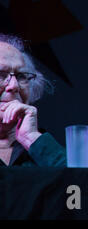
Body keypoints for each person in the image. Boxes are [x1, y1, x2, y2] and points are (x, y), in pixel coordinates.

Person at [0, 34, 66, 167]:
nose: (14, 85)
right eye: (0, 75)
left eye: (21, 76)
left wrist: (30, 138)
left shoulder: (40, 146)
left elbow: (79, 186)